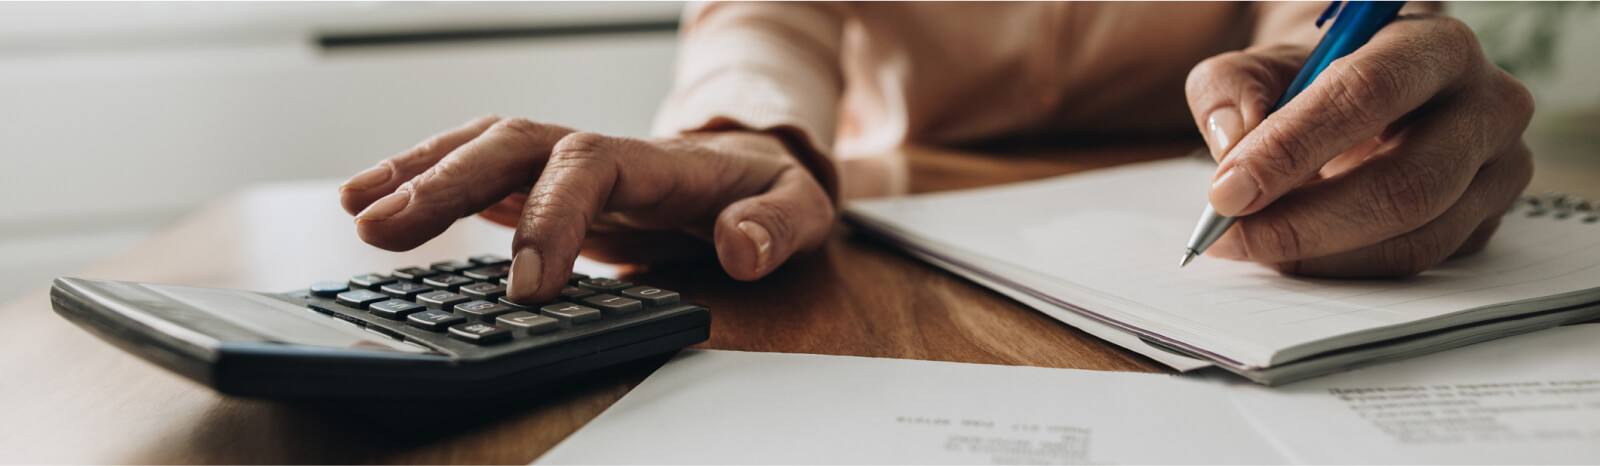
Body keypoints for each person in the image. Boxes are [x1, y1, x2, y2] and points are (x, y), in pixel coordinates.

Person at [336, 2, 1534, 304]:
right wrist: (740, 133)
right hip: (901, 227)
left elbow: (1318, 25)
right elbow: (763, 15)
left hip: (1204, 200)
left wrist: (1368, 96)